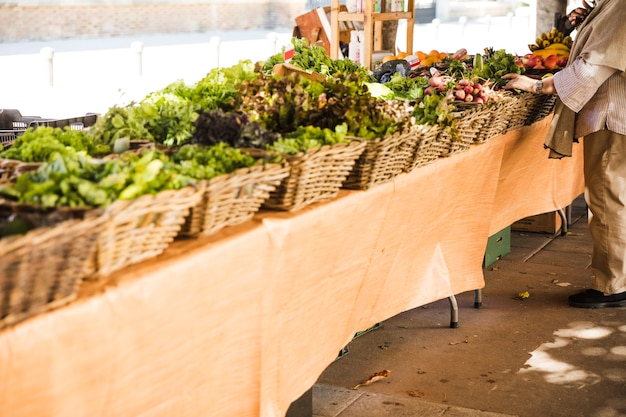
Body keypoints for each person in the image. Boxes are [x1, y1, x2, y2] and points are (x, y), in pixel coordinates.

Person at [502, 0, 626, 308]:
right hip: (615, 114)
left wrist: (537, 86)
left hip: (612, 115)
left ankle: (613, 286)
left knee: (607, 198)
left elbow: (593, 68)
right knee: (613, 195)